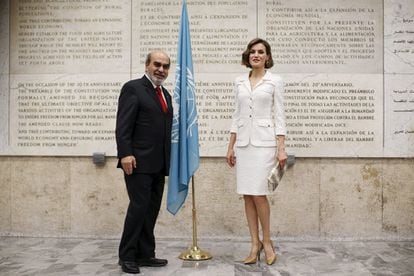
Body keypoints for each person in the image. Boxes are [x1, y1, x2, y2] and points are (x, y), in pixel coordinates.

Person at [226, 38, 287, 265]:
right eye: (252, 52)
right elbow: (237, 114)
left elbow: (279, 115)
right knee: (247, 195)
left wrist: (281, 148)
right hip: (243, 145)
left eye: (261, 52)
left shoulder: (275, 81)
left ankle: (267, 241)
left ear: (267, 57)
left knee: (260, 195)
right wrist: (230, 146)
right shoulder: (239, 81)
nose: (256, 55)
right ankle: (254, 243)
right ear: (248, 56)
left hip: (264, 144)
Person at [115, 51, 173, 274]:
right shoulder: (133, 88)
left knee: (151, 210)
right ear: (147, 65)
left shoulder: (165, 94)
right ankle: (127, 256)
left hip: (158, 164)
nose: (161, 69)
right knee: (138, 209)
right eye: (157, 64)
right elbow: (123, 125)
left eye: (165, 66)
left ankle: (145, 253)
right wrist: (125, 154)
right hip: (137, 162)